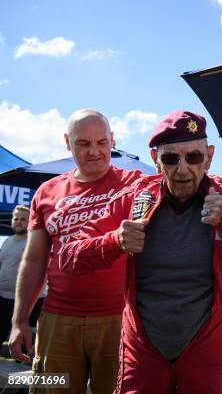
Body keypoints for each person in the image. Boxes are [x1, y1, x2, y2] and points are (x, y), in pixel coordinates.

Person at [58, 110, 222, 393]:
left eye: (193, 157)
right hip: (142, 348)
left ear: (209, 156)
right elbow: (68, 256)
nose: (182, 169)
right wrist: (113, 241)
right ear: (155, 160)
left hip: (210, 346)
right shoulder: (133, 198)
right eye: (171, 158)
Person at [9, 109, 143, 394]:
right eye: (83, 143)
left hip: (120, 319)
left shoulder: (133, 184)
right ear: (67, 142)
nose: (94, 151)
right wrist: (20, 320)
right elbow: (34, 259)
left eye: (101, 142)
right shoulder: (46, 192)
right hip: (58, 319)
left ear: (112, 140)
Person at [0, 205, 46, 344]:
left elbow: (41, 271)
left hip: (26, 302)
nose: (18, 222)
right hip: (3, 298)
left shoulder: (35, 243)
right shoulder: (7, 241)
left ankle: (21, 365)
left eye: (23, 219)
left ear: (30, 221)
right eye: (16, 219)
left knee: (24, 342)